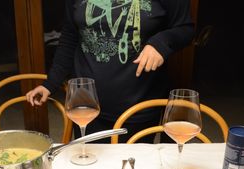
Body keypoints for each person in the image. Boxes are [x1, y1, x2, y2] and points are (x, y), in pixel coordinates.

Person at [26, 0, 195, 142]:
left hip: (138, 105)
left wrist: (161, 43)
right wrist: (50, 83)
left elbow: (185, 28)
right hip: (86, 105)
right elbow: (70, 37)